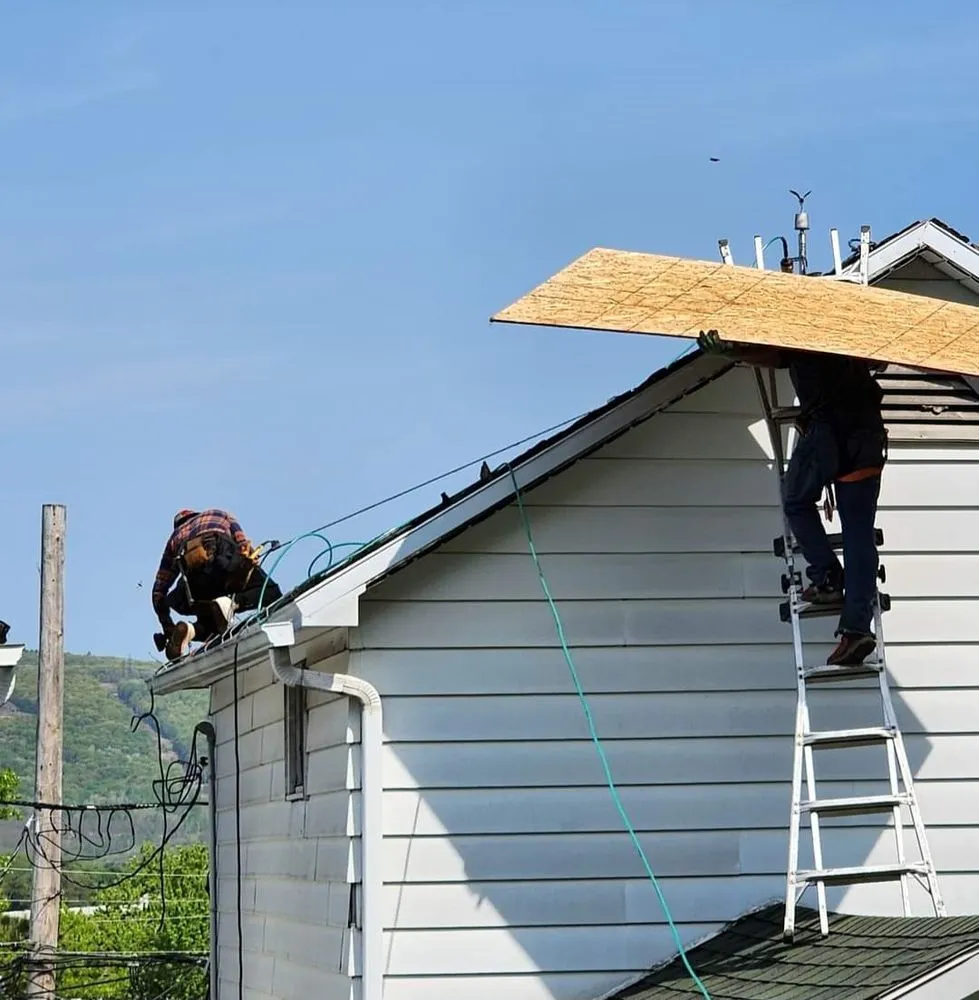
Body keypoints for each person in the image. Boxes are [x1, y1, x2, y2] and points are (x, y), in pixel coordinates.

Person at [698, 330, 888, 667]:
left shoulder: (804, 328)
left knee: (797, 501)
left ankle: (828, 577)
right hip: (867, 430)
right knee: (859, 533)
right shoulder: (852, 330)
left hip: (831, 429)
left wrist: (733, 352)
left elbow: (776, 356)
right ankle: (857, 628)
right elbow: (880, 359)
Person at [152, 509, 283, 660]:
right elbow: (242, 542)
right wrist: (246, 561)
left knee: (212, 620)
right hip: (222, 556)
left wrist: (167, 625)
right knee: (271, 591)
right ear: (195, 515)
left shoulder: (174, 538)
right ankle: (232, 603)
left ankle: (190, 630)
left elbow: (159, 590)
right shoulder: (217, 514)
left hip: (194, 584)